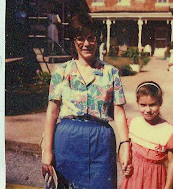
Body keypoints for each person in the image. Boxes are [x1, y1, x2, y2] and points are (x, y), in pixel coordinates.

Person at [42, 13, 131, 189]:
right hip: (67, 140)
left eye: (91, 38)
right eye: (80, 38)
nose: (86, 44)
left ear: (97, 40)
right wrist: (46, 151)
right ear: (73, 41)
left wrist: (125, 144)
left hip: (101, 143)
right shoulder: (61, 72)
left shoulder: (110, 73)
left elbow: (119, 113)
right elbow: (52, 112)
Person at [120, 81, 173, 189]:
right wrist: (124, 165)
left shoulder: (170, 132)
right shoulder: (132, 123)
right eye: (143, 105)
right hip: (133, 178)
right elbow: (123, 147)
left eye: (152, 104)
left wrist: (168, 187)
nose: (148, 110)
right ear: (137, 103)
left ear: (160, 102)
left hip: (155, 179)